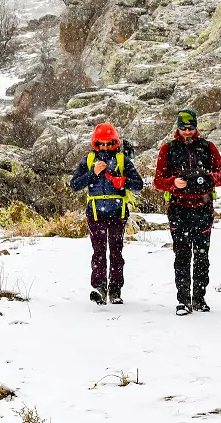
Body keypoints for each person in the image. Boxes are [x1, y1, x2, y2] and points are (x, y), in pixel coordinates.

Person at [154, 108, 221, 316]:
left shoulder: (208, 147)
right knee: (182, 254)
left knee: (202, 255)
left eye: (190, 128)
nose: (187, 132)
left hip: (203, 209)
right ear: (177, 127)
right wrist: (173, 183)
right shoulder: (168, 149)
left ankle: (199, 298)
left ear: (196, 126)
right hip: (178, 210)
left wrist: (207, 178)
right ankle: (183, 300)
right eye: (183, 128)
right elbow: (157, 181)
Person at [70, 123, 144, 305]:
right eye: (101, 143)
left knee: (116, 251)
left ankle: (115, 289)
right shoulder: (88, 160)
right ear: (95, 143)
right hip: (95, 214)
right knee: (99, 252)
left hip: (118, 213)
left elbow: (138, 185)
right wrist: (92, 174)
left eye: (108, 143)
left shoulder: (122, 160)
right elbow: (75, 185)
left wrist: (123, 181)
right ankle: (100, 288)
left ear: (115, 142)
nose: (105, 147)